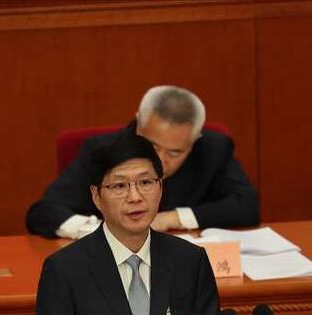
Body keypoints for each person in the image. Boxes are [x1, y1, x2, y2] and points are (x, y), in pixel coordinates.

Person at [33, 133, 225, 315]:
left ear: (160, 187)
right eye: (119, 186)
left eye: (146, 182)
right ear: (96, 196)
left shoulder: (190, 260)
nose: (135, 197)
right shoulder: (66, 269)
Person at [26, 85, 259, 239]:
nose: (160, 160)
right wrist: (102, 232)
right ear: (137, 125)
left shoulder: (213, 149)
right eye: (152, 146)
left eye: (175, 153)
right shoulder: (102, 150)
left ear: (194, 140)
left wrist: (171, 219)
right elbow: (44, 212)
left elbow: (247, 206)